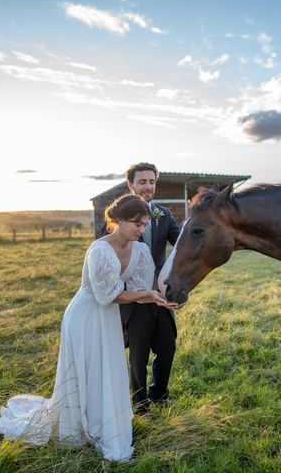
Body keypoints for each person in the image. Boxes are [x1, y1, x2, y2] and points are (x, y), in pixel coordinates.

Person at [0, 195, 176, 461]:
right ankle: (77, 423)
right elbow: (106, 296)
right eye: (137, 223)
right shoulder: (99, 250)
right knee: (86, 370)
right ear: (118, 220)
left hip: (107, 318)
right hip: (85, 316)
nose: (141, 230)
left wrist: (157, 298)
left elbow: (137, 291)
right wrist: (145, 293)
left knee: (106, 369)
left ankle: (103, 423)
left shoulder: (141, 250)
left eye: (144, 224)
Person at [103, 162, 180, 413]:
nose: (148, 186)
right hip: (132, 296)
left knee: (167, 344)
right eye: (142, 182)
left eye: (152, 181)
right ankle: (139, 402)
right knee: (138, 351)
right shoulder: (116, 217)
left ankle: (159, 393)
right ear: (131, 185)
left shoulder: (164, 215)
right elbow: (106, 254)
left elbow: (180, 245)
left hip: (159, 292)